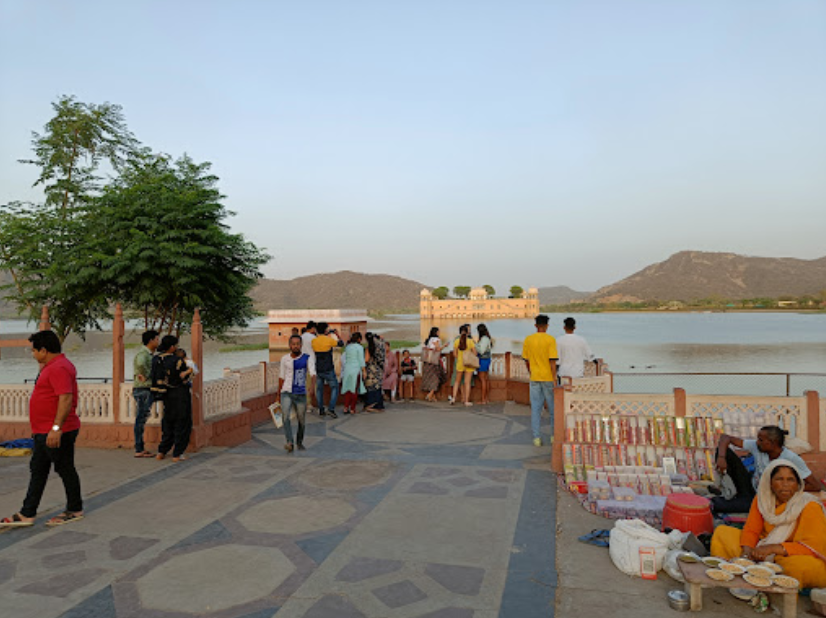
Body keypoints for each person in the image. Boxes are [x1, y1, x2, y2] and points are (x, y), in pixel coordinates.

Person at [1, 331, 84, 528]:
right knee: (38, 469)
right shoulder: (53, 366)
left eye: (34, 350)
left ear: (43, 350)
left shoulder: (59, 368)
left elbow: (66, 398)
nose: (33, 354)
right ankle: (27, 513)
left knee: (64, 468)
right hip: (42, 431)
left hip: (55, 431)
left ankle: (74, 509)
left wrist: (56, 428)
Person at [710, 460, 826, 589]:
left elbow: (813, 546)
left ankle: (774, 587)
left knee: (798, 567)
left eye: (791, 480)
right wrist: (747, 553)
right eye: (779, 479)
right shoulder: (763, 500)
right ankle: (737, 576)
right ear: (769, 483)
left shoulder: (809, 505)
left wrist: (772, 549)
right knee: (722, 533)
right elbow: (751, 530)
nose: (785, 485)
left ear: (798, 484)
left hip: (793, 555)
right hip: (762, 549)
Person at [713, 426, 821, 514]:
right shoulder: (757, 447)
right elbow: (725, 438)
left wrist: (786, 490)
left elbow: (816, 486)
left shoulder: (791, 458)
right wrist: (721, 458)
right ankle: (734, 496)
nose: (757, 442)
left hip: (766, 498)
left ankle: (728, 501)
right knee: (723, 451)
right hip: (750, 486)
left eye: (761, 440)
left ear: (772, 443)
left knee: (720, 505)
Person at [152, 335, 192, 462]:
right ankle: (177, 453)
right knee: (182, 422)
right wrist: (188, 370)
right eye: (175, 345)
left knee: (168, 422)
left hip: (165, 394)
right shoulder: (177, 360)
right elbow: (184, 376)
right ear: (171, 347)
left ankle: (161, 452)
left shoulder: (156, 359)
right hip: (179, 394)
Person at [522, 314, 559, 447]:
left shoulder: (528, 340)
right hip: (548, 378)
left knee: (536, 409)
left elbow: (526, 360)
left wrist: (531, 372)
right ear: (547, 326)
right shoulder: (550, 340)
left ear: (536, 325)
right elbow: (552, 361)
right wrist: (554, 378)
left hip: (535, 378)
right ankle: (554, 436)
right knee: (553, 409)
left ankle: (536, 438)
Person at [277, 335, 316, 452]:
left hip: (300, 393)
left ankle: (299, 441)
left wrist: (312, 387)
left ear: (301, 345)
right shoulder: (285, 359)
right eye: (293, 344)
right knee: (285, 417)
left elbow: (313, 374)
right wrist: (278, 394)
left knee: (301, 420)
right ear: (289, 345)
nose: (295, 346)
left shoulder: (307, 358)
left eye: (297, 344)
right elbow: (281, 377)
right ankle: (289, 441)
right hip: (286, 392)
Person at [132, 329, 159, 458]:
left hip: (145, 389)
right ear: (151, 340)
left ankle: (140, 447)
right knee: (140, 419)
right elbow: (141, 364)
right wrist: (146, 375)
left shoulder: (149, 354)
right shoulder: (143, 354)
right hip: (143, 389)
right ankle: (139, 448)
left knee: (141, 418)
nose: (158, 341)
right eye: (156, 339)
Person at [311, 322, 344, 418]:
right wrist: (337, 334)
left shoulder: (314, 341)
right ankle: (331, 409)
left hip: (318, 368)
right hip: (328, 368)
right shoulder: (329, 340)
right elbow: (341, 344)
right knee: (335, 387)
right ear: (326, 330)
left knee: (319, 390)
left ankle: (321, 409)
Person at [341, 332, 366, 414]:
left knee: (348, 389)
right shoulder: (359, 348)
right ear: (359, 339)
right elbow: (361, 361)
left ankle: (345, 407)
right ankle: (352, 408)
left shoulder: (348, 347)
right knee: (354, 389)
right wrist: (364, 371)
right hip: (355, 370)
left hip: (347, 370)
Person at [451, 324, 476, 406]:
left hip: (460, 363)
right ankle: (466, 401)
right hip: (468, 363)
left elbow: (454, 354)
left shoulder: (457, 341)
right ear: (467, 332)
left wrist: (460, 358)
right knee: (467, 382)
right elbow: (475, 353)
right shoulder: (470, 341)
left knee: (457, 381)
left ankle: (453, 398)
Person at [421, 327, 444, 402]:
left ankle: (432, 396)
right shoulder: (437, 340)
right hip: (434, 361)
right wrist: (445, 346)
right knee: (436, 378)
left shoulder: (428, 340)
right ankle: (430, 394)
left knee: (429, 378)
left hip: (427, 361)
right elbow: (438, 349)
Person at [363, 332, 385, 412]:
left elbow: (366, 360)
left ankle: (370, 404)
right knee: (378, 386)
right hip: (378, 369)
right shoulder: (380, 347)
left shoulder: (368, 348)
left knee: (371, 387)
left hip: (371, 370)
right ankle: (379, 405)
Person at [300, 321, 318, 409]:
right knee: (313, 383)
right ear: (313, 328)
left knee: (304, 383)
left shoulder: (301, 337)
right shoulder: (313, 338)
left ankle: (306, 404)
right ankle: (313, 403)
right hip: (311, 361)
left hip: (302, 361)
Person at [476, 324, 493, 404]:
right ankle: (486, 398)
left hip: (483, 360)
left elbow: (481, 350)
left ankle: (483, 399)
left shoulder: (484, 339)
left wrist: (475, 345)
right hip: (486, 359)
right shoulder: (487, 338)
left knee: (483, 379)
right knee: (485, 379)